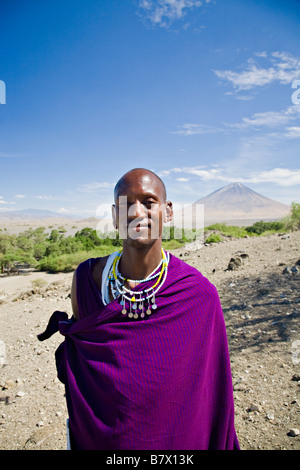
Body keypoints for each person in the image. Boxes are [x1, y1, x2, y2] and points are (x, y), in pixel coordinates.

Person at [38, 168, 240, 450]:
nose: (135, 212)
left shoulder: (199, 295)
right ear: (114, 215)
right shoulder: (87, 280)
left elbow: (211, 390)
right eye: (125, 203)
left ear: (167, 212)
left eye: (148, 202)